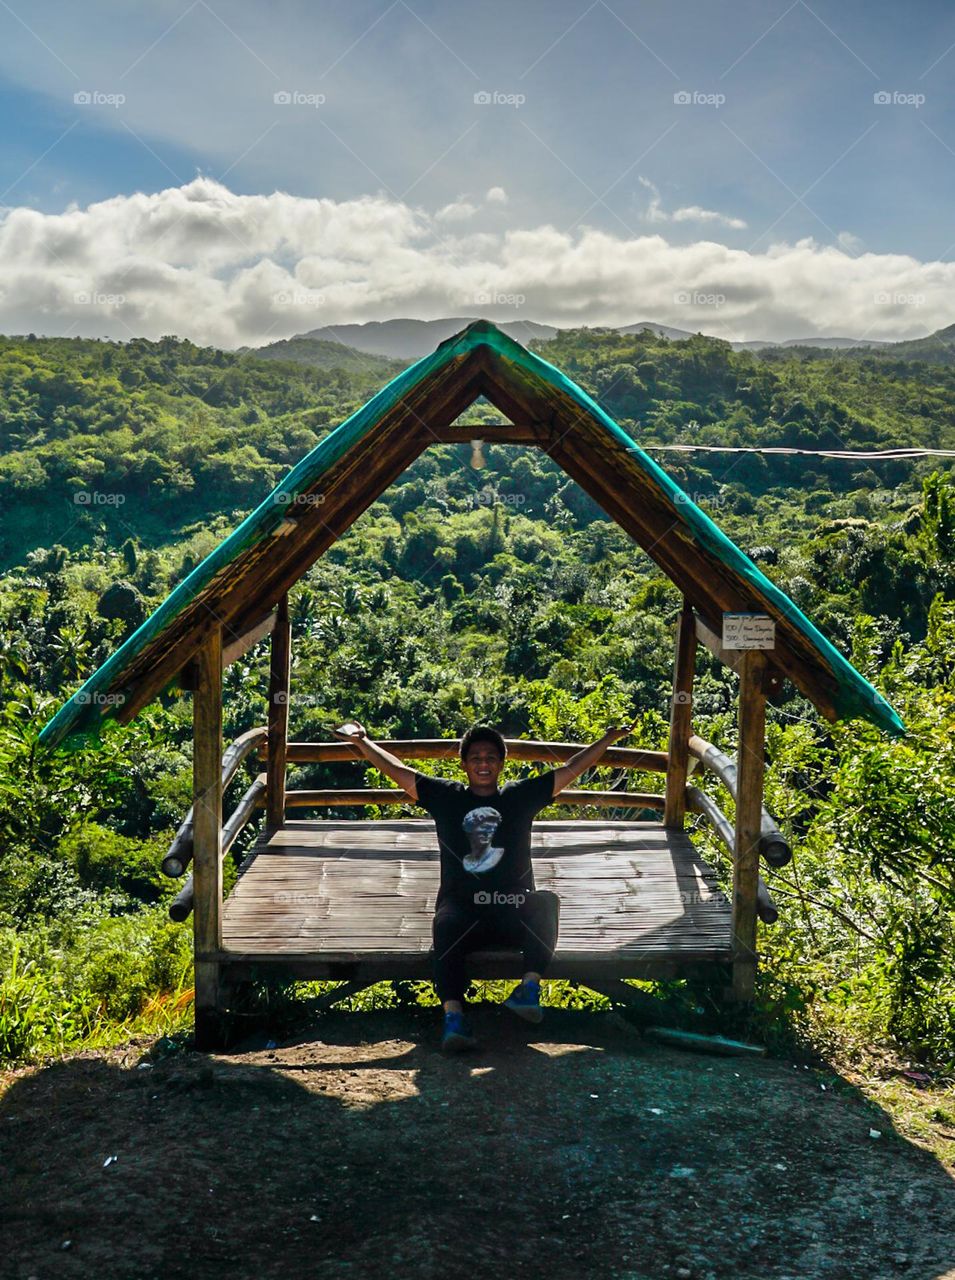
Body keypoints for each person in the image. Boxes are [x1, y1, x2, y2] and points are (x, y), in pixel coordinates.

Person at [337, 720, 637, 1052]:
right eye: (476, 758)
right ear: (463, 764)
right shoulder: (446, 797)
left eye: (491, 757)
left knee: (545, 903)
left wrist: (607, 739)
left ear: (501, 763)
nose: (483, 764)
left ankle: (529, 990)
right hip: (464, 915)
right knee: (444, 922)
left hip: (511, 912)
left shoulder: (519, 797)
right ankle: (454, 1018)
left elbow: (571, 768)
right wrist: (363, 742)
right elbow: (399, 771)